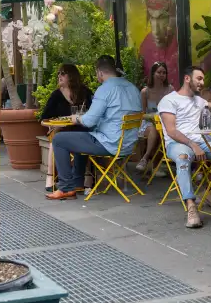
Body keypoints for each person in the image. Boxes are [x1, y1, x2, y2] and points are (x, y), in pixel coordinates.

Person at [45, 56, 141, 200]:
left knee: (59, 140)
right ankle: (77, 183)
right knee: (80, 134)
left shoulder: (105, 89)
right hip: (128, 144)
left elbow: (89, 121)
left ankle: (65, 187)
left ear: (100, 73)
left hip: (110, 144)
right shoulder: (133, 88)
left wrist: (75, 118)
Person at [158, 66, 211, 228]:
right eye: (199, 79)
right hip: (178, 144)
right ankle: (191, 206)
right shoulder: (169, 100)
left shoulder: (199, 101)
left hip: (201, 143)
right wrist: (193, 145)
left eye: (203, 79)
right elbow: (172, 131)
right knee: (183, 158)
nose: (202, 82)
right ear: (187, 79)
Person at [40, 64, 94, 191]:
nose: (59, 76)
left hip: (80, 127)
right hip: (62, 128)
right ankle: (50, 177)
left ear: (72, 76)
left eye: (63, 73)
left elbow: (92, 113)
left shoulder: (84, 92)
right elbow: (45, 117)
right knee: (57, 136)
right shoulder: (56, 95)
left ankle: (82, 178)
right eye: (59, 73)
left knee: (84, 134)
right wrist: (59, 121)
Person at [136, 61, 174, 172]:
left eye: (164, 72)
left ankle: (156, 165)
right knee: (154, 129)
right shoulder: (145, 92)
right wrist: (152, 116)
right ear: (153, 73)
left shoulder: (170, 90)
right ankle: (146, 158)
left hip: (165, 122)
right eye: (159, 72)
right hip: (148, 122)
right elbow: (142, 114)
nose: (162, 75)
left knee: (161, 130)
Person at [139, 0, 178, 88]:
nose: (155, 31)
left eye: (161, 18)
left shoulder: (182, 42)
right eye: (152, 18)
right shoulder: (146, 46)